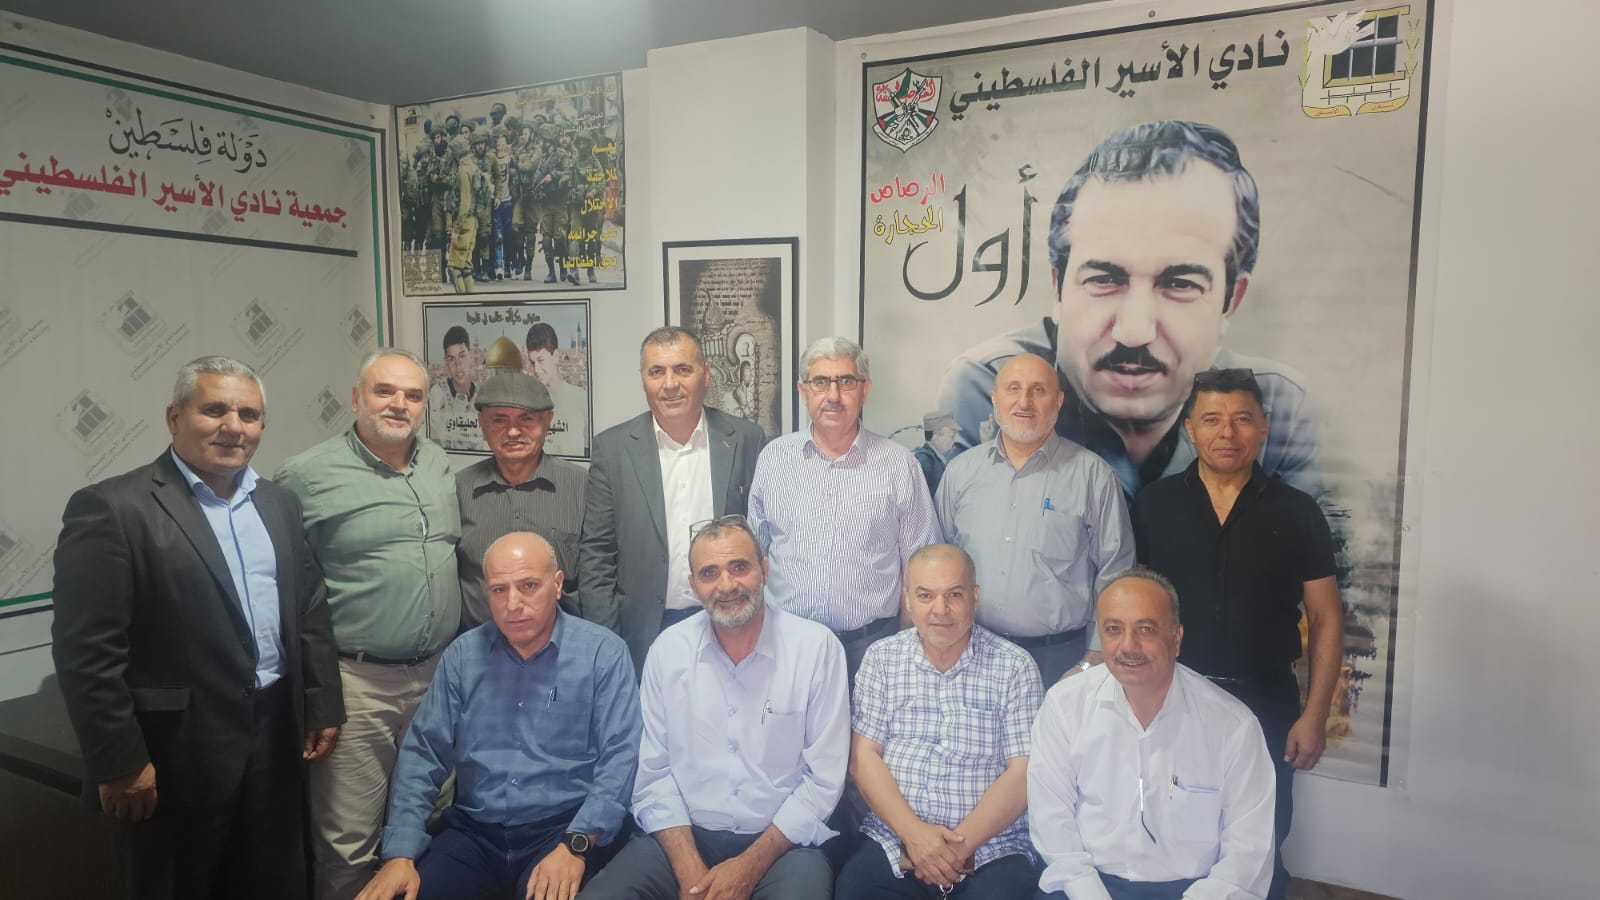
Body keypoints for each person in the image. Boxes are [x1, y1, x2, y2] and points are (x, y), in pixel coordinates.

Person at [50, 356, 344, 899]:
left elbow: (308, 607)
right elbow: (87, 653)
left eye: (249, 415)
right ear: (174, 417)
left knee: (272, 880)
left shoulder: (278, 503)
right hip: (174, 752)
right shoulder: (113, 509)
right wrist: (119, 761)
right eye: (215, 410)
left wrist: (322, 702)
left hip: (276, 733)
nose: (233, 426)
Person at [931, 120, 1323, 502]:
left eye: (1180, 284)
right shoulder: (985, 389)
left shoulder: (1277, 410)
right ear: (1057, 288)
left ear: (1231, 301)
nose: (1134, 332)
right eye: (1104, 279)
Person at [1132, 368, 1342, 900]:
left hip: (1266, 699)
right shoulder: (1154, 505)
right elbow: (1136, 608)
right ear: (1190, 430)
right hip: (1175, 696)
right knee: (1171, 825)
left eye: (1242, 419)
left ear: (1264, 427)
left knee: (1262, 832)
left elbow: (1325, 618)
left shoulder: (1298, 512)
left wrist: (1314, 714)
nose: (1227, 432)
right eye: (1212, 419)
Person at [355, 533, 640, 900]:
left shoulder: (603, 653)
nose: (513, 604)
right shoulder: (462, 657)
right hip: (475, 832)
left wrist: (577, 843)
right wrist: (400, 853)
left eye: (528, 586)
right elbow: (423, 754)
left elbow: (621, 757)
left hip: (563, 828)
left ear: (557, 585)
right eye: (499, 590)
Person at [578, 516, 849, 900]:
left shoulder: (816, 649)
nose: (726, 585)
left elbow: (823, 780)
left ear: (765, 570)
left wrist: (748, 867)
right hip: (680, 835)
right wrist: (689, 868)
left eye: (739, 567)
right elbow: (652, 775)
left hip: (782, 843)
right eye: (709, 573)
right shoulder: (668, 651)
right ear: (693, 585)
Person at [276, 349, 463, 900]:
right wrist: (316, 694)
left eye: (413, 395)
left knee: (434, 818)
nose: (399, 404)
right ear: (357, 398)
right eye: (385, 391)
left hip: (437, 677)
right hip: (358, 684)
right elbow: (289, 596)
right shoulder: (305, 476)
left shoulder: (437, 462)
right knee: (349, 842)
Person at [1029, 569, 1276, 900]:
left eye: (1146, 629)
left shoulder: (1233, 725)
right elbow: (1051, 819)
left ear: (1176, 638)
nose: (1129, 646)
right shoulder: (1064, 705)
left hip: (1195, 889)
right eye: (1114, 629)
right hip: (1085, 882)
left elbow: (1247, 853)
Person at [840, 544, 1043, 899]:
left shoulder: (1015, 666)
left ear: (975, 597)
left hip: (992, 850)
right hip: (894, 842)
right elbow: (863, 757)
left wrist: (952, 850)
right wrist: (915, 836)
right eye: (925, 595)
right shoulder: (881, 659)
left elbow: (1023, 771)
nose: (940, 609)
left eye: (954, 595)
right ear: (907, 600)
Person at [935, 353, 1134, 685]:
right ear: (995, 399)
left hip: (1060, 659)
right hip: (971, 652)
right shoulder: (960, 473)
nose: (1024, 402)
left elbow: (1116, 573)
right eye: (1013, 388)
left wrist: (1093, 658)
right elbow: (937, 562)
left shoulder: (1093, 476)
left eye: (1038, 390)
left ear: (1058, 401)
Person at [748, 336, 940, 677]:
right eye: (821, 382)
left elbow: (921, 565)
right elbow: (754, 557)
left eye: (846, 381)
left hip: (873, 646)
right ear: (803, 391)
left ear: (865, 390)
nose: (833, 396)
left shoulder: (899, 465)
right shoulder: (773, 460)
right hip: (789, 644)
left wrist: (905, 642)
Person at [579, 326, 765, 675]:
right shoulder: (613, 449)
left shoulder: (746, 439)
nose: (670, 384)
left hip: (728, 619)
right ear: (643, 379)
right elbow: (596, 557)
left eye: (682, 369)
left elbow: (761, 540)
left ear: (705, 374)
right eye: (657, 372)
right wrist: (607, 641)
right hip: (642, 632)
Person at [456, 371, 586, 629]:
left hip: (562, 647)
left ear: (548, 421)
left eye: (526, 419)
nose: (513, 431)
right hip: (479, 646)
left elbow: (598, 578)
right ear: (482, 424)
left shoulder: (582, 488)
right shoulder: (458, 490)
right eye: (499, 420)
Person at [523, 321, 589, 459]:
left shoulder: (581, 399)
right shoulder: (528, 405)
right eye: (532, 363)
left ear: (556, 356)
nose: (536, 370)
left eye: (541, 360)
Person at [427, 324, 485, 451]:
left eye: (462, 356)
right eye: (451, 359)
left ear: (470, 355)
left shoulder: (482, 395)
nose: (458, 365)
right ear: (446, 362)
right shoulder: (438, 394)